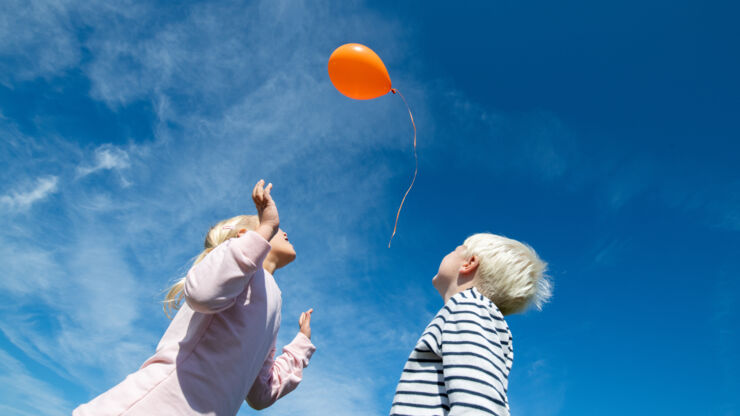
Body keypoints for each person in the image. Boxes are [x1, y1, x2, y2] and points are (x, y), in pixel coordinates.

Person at [74, 180, 315, 415]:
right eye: (271, 228)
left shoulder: (274, 302)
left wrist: (301, 344)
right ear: (244, 236)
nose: (283, 230)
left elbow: (262, 392)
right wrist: (264, 230)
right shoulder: (233, 267)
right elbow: (203, 294)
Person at [390, 233, 551, 416]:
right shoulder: (469, 311)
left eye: (456, 250)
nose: (450, 252)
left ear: (468, 263)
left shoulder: (469, 307)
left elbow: (479, 404)